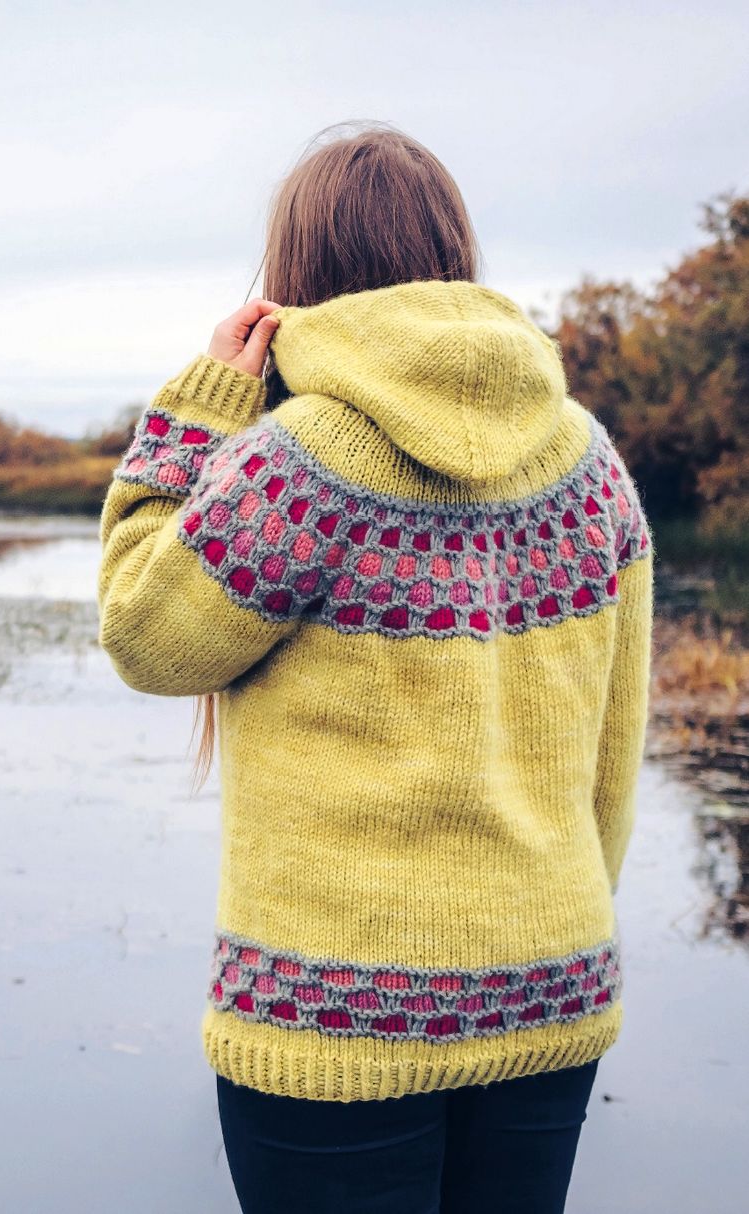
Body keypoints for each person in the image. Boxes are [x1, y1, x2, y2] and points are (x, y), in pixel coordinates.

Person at [96, 121, 654, 1213]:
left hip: (335, 1014)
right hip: (552, 983)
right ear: (455, 251)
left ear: (298, 273)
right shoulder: (592, 466)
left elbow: (145, 634)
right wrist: (543, 936)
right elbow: (614, 761)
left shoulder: (296, 466)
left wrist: (197, 412)